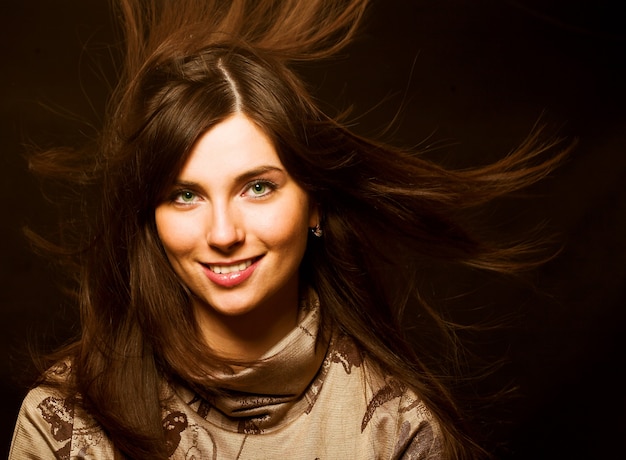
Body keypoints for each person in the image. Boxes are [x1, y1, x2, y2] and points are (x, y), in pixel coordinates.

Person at [10, 0, 570, 458]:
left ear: (315, 205)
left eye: (258, 186)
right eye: (185, 195)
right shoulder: (64, 421)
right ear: (150, 222)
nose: (223, 231)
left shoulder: (397, 430)